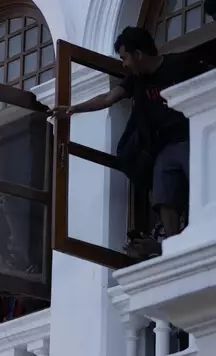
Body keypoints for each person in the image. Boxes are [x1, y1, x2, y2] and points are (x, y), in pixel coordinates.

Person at [51, 26, 210, 240]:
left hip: (193, 138)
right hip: (164, 147)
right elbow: (108, 98)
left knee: (203, 185)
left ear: (138, 54)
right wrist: (73, 109)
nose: (124, 64)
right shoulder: (136, 81)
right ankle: (173, 244)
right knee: (163, 193)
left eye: (125, 57)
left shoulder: (180, 64)